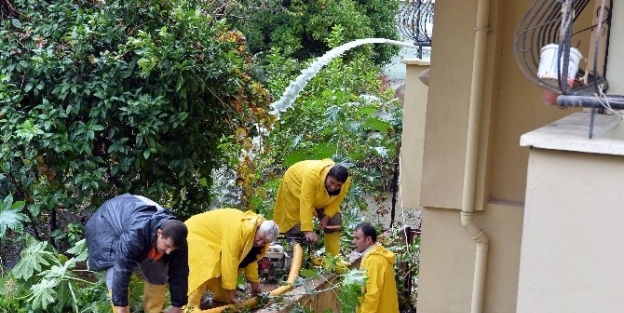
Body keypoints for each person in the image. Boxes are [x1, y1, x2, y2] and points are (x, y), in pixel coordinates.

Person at [85, 194, 189, 313]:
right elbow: (122, 269)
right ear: (159, 233)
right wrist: (121, 307)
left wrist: (177, 306)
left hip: (135, 219)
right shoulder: (135, 235)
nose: (169, 251)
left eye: (173, 248)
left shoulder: (177, 239)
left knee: (158, 271)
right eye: (167, 245)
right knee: (114, 272)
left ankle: (153, 310)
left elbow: (180, 271)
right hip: (107, 225)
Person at [185, 208, 279, 311]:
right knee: (206, 266)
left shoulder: (257, 235)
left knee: (226, 297)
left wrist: (255, 284)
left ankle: (221, 299)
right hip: (196, 233)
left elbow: (250, 260)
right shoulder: (239, 230)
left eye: (264, 242)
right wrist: (233, 294)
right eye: (260, 238)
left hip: (215, 240)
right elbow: (229, 262)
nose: (260, 243)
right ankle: (190, 306)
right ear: (257, 229)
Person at [273, 159, 350, 256]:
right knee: (296, 226)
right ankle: (293, 259)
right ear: (327, 175)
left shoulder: (345, 182)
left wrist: (326, 218)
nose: (333, 187)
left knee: (334, 221)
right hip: (295, 183)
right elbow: (306, 202)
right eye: (332, 182)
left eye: (338, 185)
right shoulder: (313, 175)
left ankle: (333, 258)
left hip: (320, 196)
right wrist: (308, 230)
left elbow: (336, 201)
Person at [352, 222, 399, 313]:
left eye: (357, 238)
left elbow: (372, 295)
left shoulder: (374, 261)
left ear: (368, 239)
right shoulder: (376, 255)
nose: (353, 241)